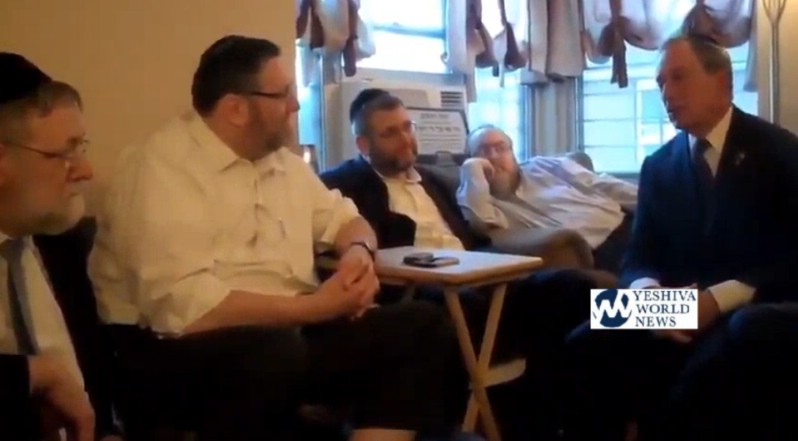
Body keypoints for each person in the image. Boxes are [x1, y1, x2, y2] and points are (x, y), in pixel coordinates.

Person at [88, 35, 461, 441]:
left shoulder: (284, 164)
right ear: (236, 109)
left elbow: (346, 220)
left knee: (422, 324)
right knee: (273, 353)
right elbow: (184, 309)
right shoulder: (159, 168)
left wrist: (358, 254)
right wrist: (317, 308)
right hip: (176, 349)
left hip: (292, 330)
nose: (295, 105)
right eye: (282, 94)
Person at [320, 88, 598, 441]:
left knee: (575, 286)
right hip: (426, 296)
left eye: (408, 127)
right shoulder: (343, 186)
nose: (405, 139)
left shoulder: (435, 180)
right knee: (467, 309)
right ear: (363, 144)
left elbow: (477, 232)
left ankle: (666, 315)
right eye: (390, 133)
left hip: (483, 282)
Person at [561, 33, 798, 441]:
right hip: (672, 306)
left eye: (679, 77)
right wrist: (647, 292)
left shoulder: (779, 151)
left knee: (716, 361)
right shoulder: (658, 165)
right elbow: (639, 255)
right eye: (660, 83)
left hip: (749, 303)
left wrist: (716, 299)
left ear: (722, 82)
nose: (667, 93)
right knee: (587, 332)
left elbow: (790, 255)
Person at [0, 53, 97, 441]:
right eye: (65, 153)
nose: (86, 171)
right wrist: (34, 374)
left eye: (82, 148)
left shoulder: (61, 243)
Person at [458, 125, 638, 273]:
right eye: (483, 151)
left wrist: (649, 201)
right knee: (638, 296)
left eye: (500, 148)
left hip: (628, 226)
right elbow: (482, 224)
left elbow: (601, 184)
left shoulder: (544, 166)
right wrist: (472, 168)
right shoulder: (481, 200)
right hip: (592, 253)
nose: (493, 157)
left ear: (513, 154)